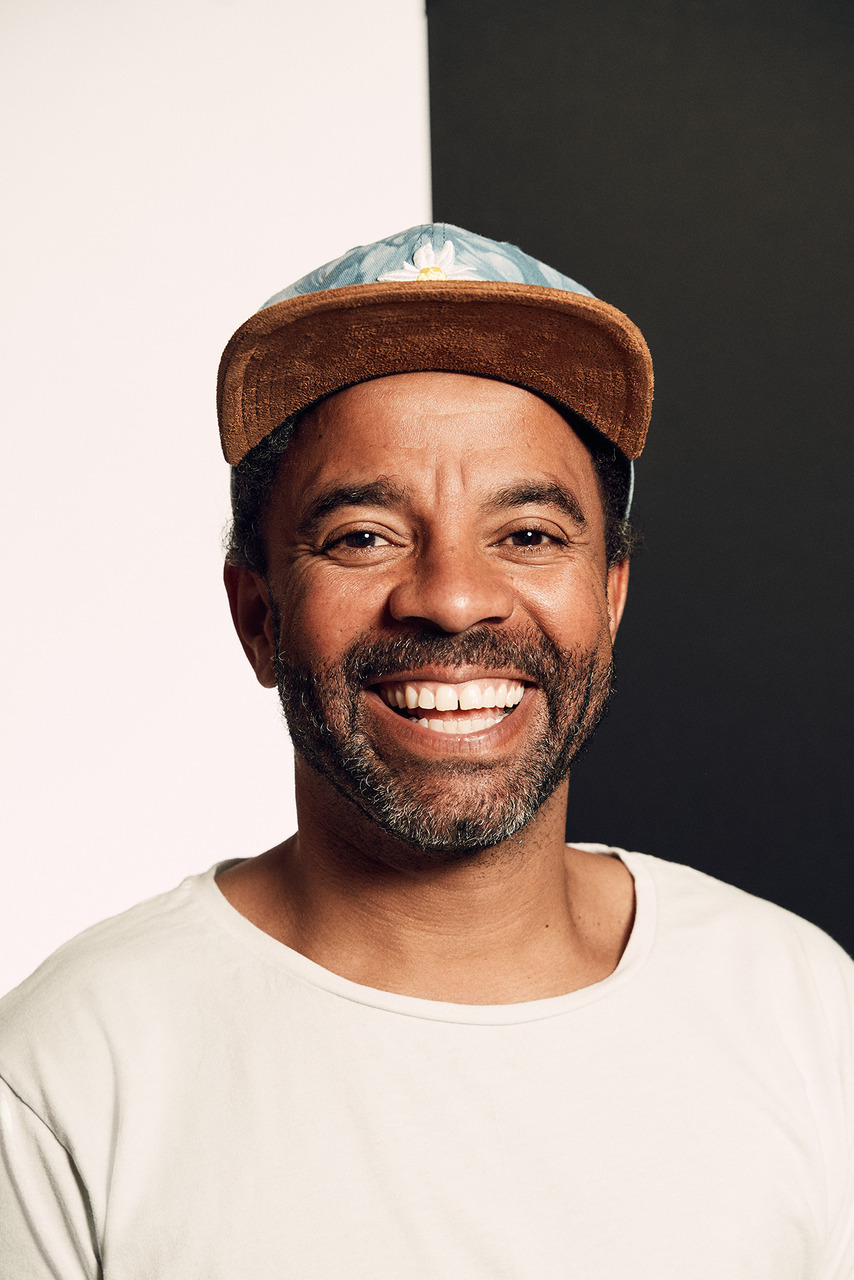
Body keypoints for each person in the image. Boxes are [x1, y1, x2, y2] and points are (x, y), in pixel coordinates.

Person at [1, 224, 852, 1279]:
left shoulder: (803, 1012)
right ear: (258, 615)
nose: (451, 597)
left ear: (610, 598)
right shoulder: (66, 1075)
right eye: (363, 536)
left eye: (528, 534)